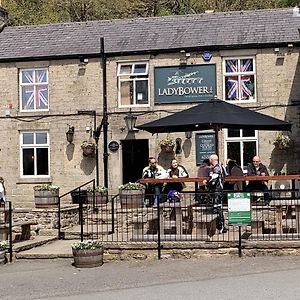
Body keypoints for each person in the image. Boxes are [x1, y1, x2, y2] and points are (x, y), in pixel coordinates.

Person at [206, 154, 227, 233]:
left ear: (212, 160)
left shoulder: (217, 168)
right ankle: (218, 227)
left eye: (210, 160)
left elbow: (213, 181)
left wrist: (206, 184)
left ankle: (221, 228)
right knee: (217, 208)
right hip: (217, 191)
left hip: (217, 191)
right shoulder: (217, 168)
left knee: (218, 208)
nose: (209, 162)